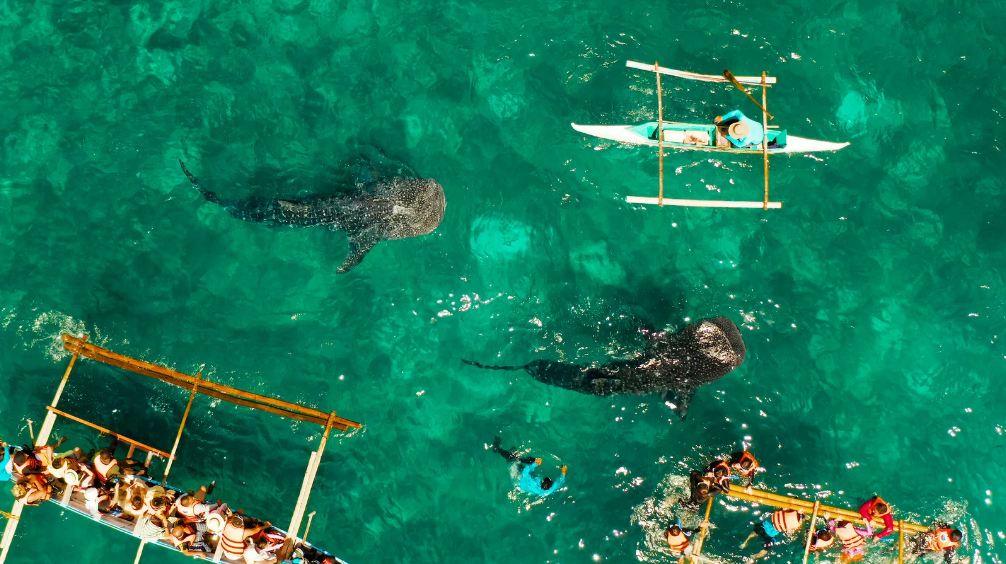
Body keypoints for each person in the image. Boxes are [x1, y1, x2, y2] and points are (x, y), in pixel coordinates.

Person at [489, 437, 567, 497]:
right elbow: (559, 483)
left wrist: (535, 464)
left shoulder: (533, 484)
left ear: (542, 483)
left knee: (511, 459)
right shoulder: (551, 488)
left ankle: (497, 449)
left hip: (519, 480)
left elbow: (525, 473)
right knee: (530, 461)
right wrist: (563, 472)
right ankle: (519, 458)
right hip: (528, 479)